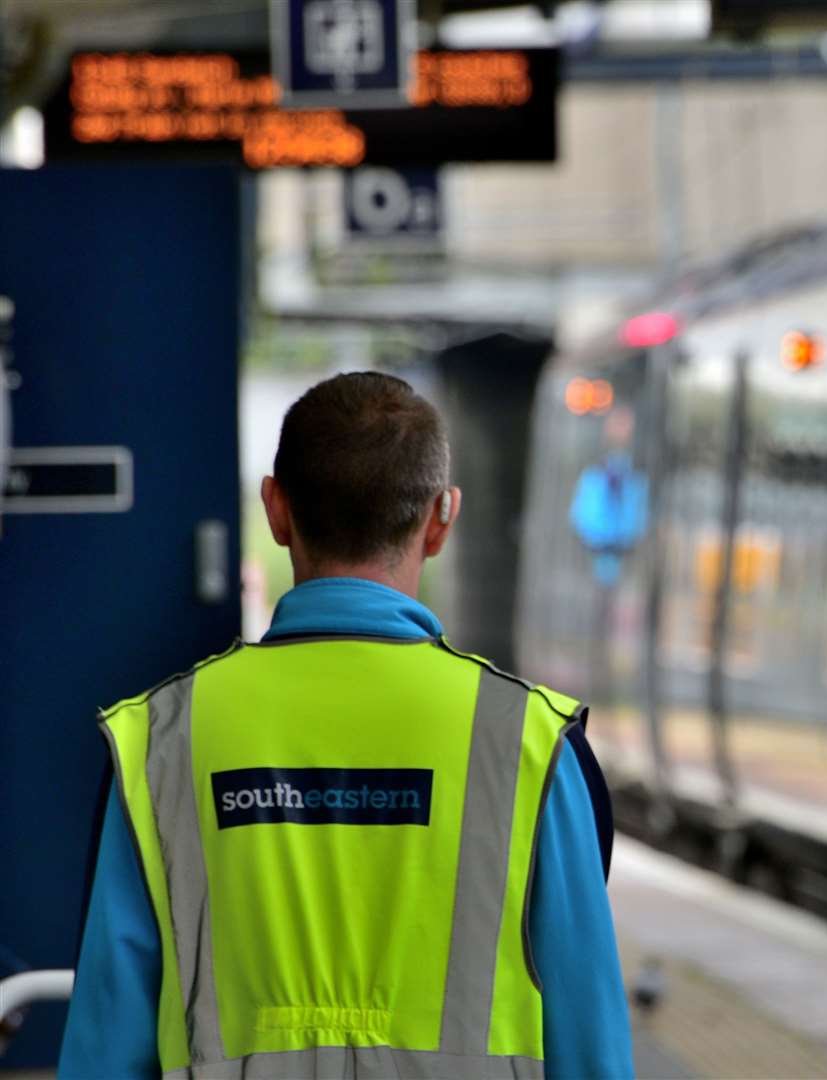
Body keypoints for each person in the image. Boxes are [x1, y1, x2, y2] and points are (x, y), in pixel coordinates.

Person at [59, 372, 633, 1079]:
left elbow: (106, 1046)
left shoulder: (159, 742)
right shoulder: (532, 745)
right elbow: (590, 1047)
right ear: (440, 519)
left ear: (276, 508)